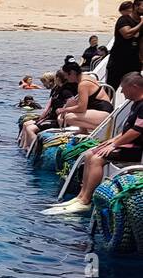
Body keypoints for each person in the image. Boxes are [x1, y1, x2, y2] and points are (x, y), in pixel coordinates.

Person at [43, 72, 143, 215]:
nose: (121, 91)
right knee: (90, 154)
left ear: (134, 87)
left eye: (124, 88)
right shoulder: (135, 104)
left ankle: (86, 200)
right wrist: (112, 140)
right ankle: (81, 196)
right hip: (127, 144)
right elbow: (128, 130)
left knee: (97, 159)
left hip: (136, 149)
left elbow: (136, 131)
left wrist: (114, 145)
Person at [56, 59, 114, 134]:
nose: (66, 78)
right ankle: (83, 130)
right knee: (72, 102)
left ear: (72, 73)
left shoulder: (83, 84)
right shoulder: (86, 77)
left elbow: (81, 108)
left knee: (69, 118)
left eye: (66, 75)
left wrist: (64, 110)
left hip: (104, 113)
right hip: (101, 110)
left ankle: (100, 129)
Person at [107, 1, 142, 89]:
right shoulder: (123, 20)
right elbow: (126, 34)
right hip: (118, 61)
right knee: (111, 88)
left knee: (136, 87)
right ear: (135, 7)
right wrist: (142, 23)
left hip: (134, 62)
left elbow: (141, 42)